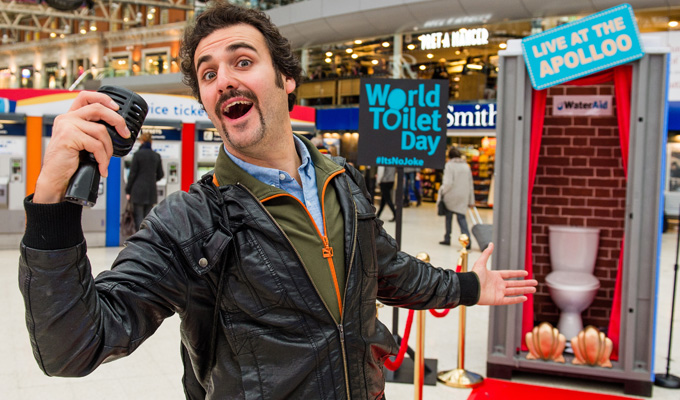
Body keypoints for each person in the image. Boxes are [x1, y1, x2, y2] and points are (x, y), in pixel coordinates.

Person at [18, 3, 536, 399]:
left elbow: (390, 271)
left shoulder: (343, 182)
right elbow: (74, 345)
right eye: (208, 73)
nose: (224, 80)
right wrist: (52, 207)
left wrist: (469, 286)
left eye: (242, 60)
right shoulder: (192, 220)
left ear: (287, 80)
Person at [125, 131, 164, 230]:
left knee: (138, 217)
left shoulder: (138, 155)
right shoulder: (156, 156)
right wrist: (151, 179)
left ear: (142, 141)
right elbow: (161, 174)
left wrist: (128, 190)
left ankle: (139, 241)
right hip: (151, 190)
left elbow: (132, 174)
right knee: (148, 219)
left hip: (138, 190)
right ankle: (147, 241)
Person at [438, 146, 475, 248]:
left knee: (448, 218)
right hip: (463, 196)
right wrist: (471, 200)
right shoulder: (466, 166)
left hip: (451, 196)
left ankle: (447, 238)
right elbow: (470, 184)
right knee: (462, 219)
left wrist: (442, 191)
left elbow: (448, 183)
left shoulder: (449, 165)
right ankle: (467, 241)